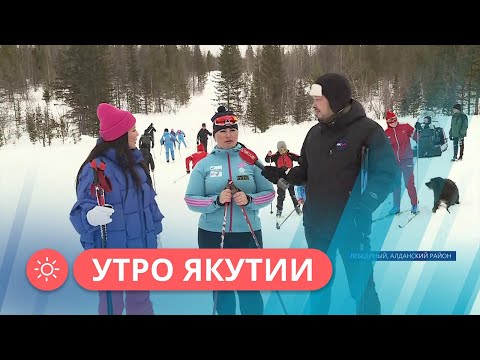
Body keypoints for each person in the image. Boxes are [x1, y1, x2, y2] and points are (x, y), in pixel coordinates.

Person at [260, 73, 399, 315]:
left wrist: (366, 206)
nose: (313, 105)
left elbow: (387, 174)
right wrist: (285, 175)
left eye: (318, 99)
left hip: (352, 227)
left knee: (362, 288)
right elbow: (305, 170)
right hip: (316, 227)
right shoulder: (314, 133)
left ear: (334, 100)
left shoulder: (368, 131)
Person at [69, 103, 164, 315]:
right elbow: (80, 209)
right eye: (132, 130)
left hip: (140, 250)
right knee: (112, 305)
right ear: (120, 135)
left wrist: (156, 232)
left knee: (141, 302)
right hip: (111, 252)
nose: (137, 134)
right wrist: (90, 217)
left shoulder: (137, 165)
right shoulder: (96, 168)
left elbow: (149, 203)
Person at [184, 106, 275, 315]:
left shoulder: (251, 161)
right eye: (222, 131)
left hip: (248, 234)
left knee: (250, 290)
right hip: (212, 236)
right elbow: (190, 200)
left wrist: (250, 199)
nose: (228, 135)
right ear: (214, 135)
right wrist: (215, 201)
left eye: (233, 130)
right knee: (222, 291)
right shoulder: (204, 164)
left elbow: (269, 193)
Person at [384, 110, 419, 214]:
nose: (393, 121)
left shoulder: (405, 127)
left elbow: (417, 137)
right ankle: (396, 206)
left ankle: (414, 204)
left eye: (395, 119)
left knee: (409, 183)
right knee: (396, 184)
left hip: (407, 159)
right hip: (395, 163)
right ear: (387, 122)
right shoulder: (386, 134)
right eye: (391, 120)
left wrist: (418, 131)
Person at [265, 141, 301, 216]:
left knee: (293, 194)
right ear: (278, 150)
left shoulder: (290, 155)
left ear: (286, 148)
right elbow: (268, 160)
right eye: (280, 150)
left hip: (291, 177)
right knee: (281, 195)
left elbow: (300, 159)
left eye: (284, 149)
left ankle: (297, 207)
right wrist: (268, 156)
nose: (282, 151)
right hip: (280, 178)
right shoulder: (276, 156)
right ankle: (279, 210)